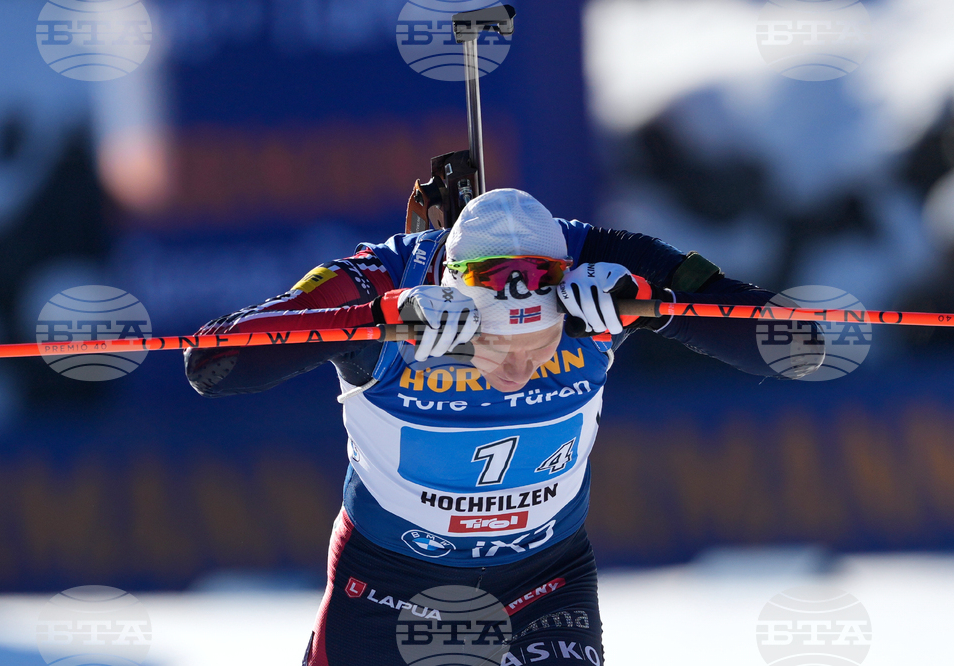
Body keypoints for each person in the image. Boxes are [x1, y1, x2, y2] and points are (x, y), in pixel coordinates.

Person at [185, 189, 823, 665]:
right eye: (490, 346)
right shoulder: (386, 277)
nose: (517, 369)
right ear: (457, 299)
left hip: (543, 582)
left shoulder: (609, 263)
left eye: (539, 344)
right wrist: (375, 317)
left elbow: (799, 344)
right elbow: (214, 363)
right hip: (385, 587)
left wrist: (658, 309)